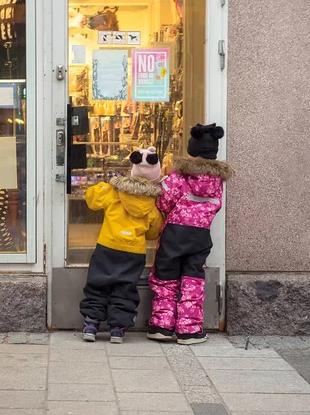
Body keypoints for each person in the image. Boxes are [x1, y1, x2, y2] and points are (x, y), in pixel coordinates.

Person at [147, 124, 234, 345]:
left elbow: (164, 201)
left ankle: (162, 325)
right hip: (200, 235)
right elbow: (216, 206)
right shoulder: (217, 181)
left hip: (175, 233)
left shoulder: (179, 176)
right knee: (193, 279)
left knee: (166, 277)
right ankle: (189, 330)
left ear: (191, 150)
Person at [80, 147, 164, 344]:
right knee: (125, 287)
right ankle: (118, 328)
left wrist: (104, 186)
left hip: (107, 245)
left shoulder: (115, 192)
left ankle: (91, 323)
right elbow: (154, 231)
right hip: (134, 252)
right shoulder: (151, 204)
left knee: (98, 283)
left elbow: (92, 199)